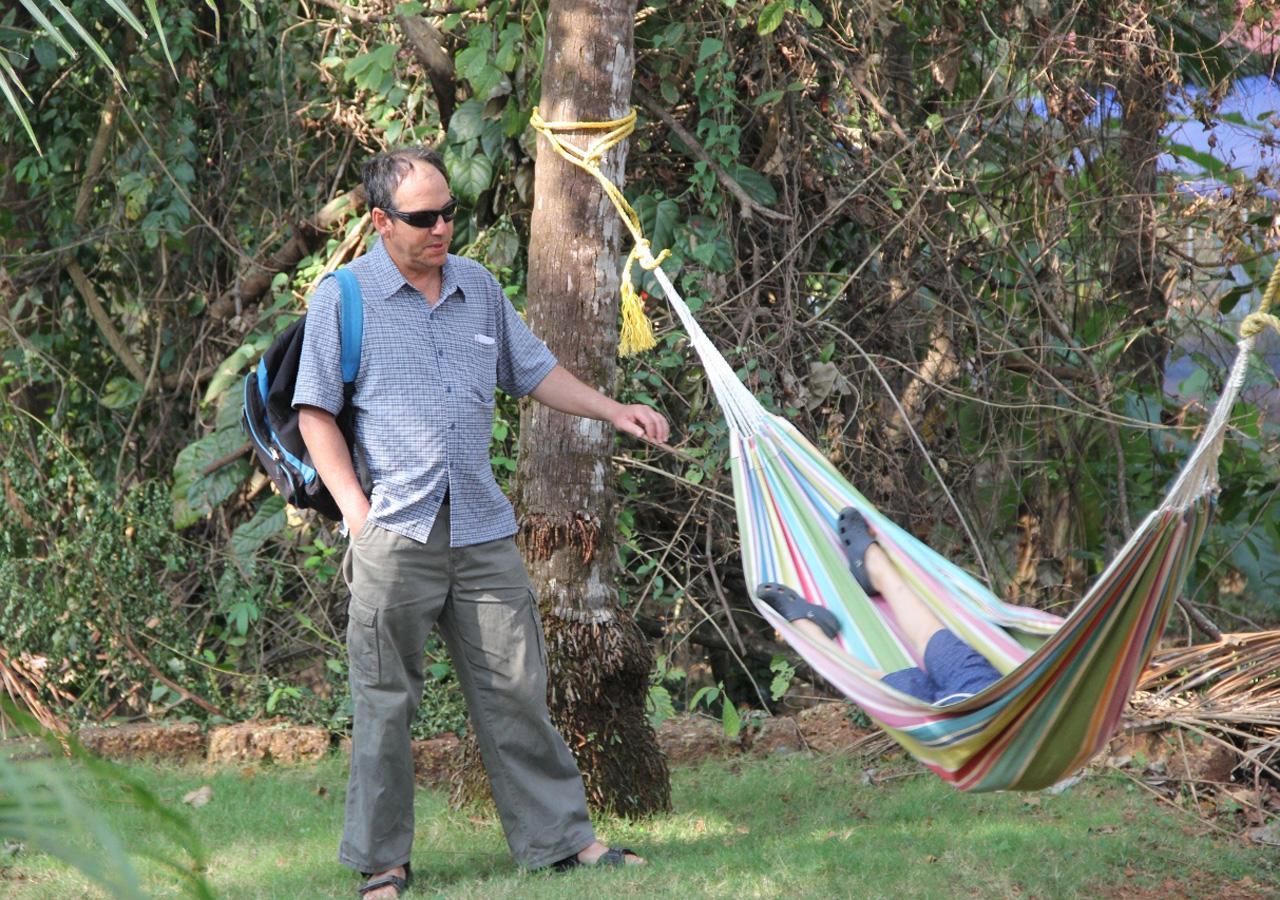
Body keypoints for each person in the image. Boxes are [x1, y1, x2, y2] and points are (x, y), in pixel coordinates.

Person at [293, 146, 666, 899]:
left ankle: (560, 842)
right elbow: (314, 413)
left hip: (482, 528)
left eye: (449, 213)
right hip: (394, 532)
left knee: (517, 689)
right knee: (385, 700)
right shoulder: (344, 298)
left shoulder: (478, 286)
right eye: (423, 218)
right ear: (379, 221)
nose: (441, 229)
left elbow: (534, 371)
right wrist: (359, 519)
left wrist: (611, 409)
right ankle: (383, 863)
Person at [758, 507, 1002, 706]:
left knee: (880, 682)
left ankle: (814, 635)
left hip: (943, 725)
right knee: (938, 642)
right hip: (985, 694)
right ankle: (878, 572)